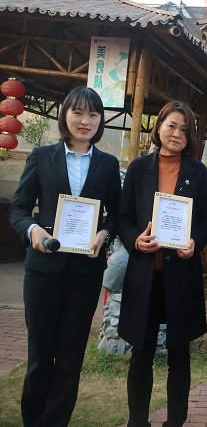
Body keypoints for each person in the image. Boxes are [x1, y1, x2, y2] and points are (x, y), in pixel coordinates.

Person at [10, 86, 121, 427]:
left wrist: (104, 233)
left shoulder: (107, 164)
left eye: (93, 114)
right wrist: (33, 231)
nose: (85, 121)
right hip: (43, 271)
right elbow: (19, 209)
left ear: (100, 121)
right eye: (78, 112)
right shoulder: (42, 156)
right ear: (65, 115)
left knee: (71, 357)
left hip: (85, 275)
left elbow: (117, 214)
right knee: (40, 355)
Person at [118, 101, 207, 427]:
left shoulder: (198, 172)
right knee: (140, 354)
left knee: (180, 355)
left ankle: (175, 422)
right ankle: (137, 421)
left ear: (191, 137)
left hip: (181, 277)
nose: (176, 134)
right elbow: (123, 218)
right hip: (145, 275)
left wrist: (194, 241)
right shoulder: (138, 169)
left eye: (184, 129)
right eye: (171, 125)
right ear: (158, 127)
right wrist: (135, 240)